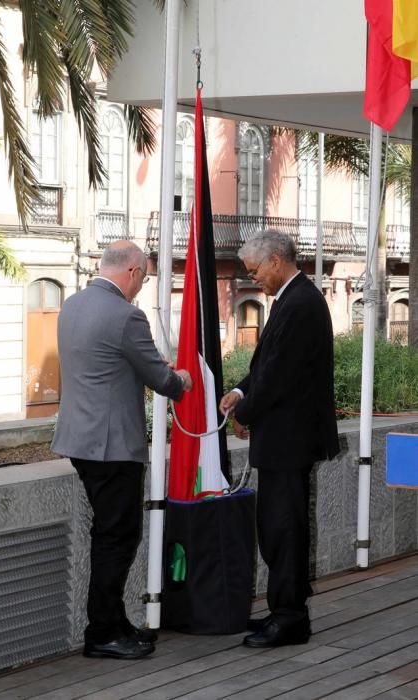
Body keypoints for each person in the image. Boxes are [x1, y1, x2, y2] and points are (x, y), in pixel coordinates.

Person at [52, 240, 192, 660]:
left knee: (107, 534)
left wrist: (147, 366)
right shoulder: (127, 316)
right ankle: (103, 633)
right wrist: (181, 378)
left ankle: (113, 623)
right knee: (118, 537)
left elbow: (104, 365)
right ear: (131, 272)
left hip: (80, 439)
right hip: (112, 446)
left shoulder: (72, 305)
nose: (141, 287)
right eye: (144, 279)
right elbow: (162, 381)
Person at [220, 230, 339, 649]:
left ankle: (289, 618)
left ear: (275, 261)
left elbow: (278, 375)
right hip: (284, 439)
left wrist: (245, 413)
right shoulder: (294, 299)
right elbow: (265, 365)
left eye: (256, 271)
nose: (255, 281)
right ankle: (283, 611)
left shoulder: (300, 303)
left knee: (284, 529)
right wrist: (238, 392)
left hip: (289, 440)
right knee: (276, 528)